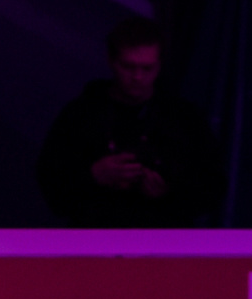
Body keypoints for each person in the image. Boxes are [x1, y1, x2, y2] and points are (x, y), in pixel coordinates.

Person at [36, 17, 226, 228]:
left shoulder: (184, 117)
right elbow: (50, 184)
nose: (137, 77)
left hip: (164, 237)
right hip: (95, 237)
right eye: (128, 66)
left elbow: (213, 187)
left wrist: (169, 191)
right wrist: (93, 175)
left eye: (147, 68)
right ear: (111, 61)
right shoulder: (81, 114)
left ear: (159, 65)